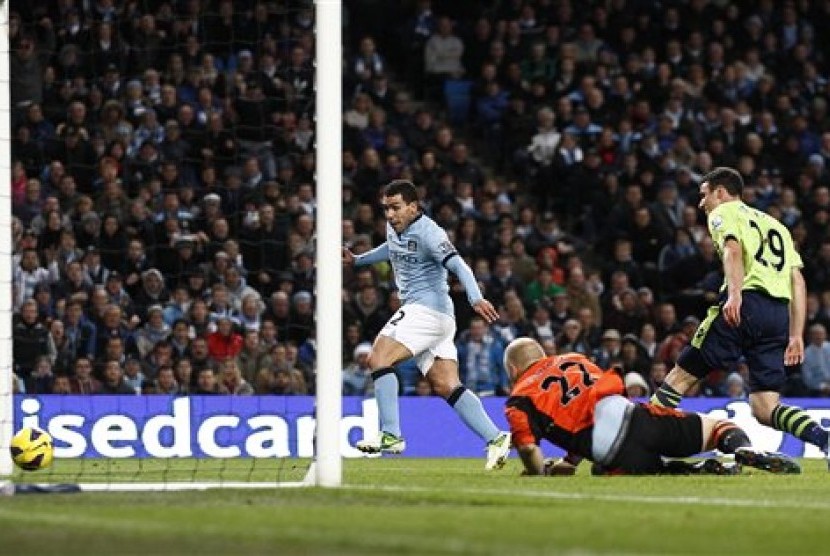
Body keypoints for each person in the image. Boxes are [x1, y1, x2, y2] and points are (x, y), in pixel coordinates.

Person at [649, 168, 830, 464]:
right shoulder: (777, 226)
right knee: (765, 406)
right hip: (776, 316)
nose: (701, 203)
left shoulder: (723, 213)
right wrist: (796, 334)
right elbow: (797, 282)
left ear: (720, 192)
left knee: (680, 376)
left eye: (704, 194)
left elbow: (732, 251)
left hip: (744, 303)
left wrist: (735, 295)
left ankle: (641, 445)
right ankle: (824, 438)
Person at [342, 179, 510, 470]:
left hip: (427, 310)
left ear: (413, 207)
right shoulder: (395, 227)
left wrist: (476, 298)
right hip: (436, 319)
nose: (390, 215)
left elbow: (459, 266)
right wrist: (358, 261)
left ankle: (392, 434)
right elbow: (392, 249)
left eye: (395, 208)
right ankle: (495, 438)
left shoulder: (431, 233)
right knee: (446, 384)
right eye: (386, 209)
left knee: (378, 358)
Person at [503, 337, 799, 476]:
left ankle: (695, 470)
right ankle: (739, 448)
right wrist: (571, 461)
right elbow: (588, 405)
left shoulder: (519, 398)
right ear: (542, 354)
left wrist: (539, 471)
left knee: (608, 470)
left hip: (611, 452)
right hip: (636, 417)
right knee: (716, 427)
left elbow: (529, 448)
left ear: (514, 371)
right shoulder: (573, 359)